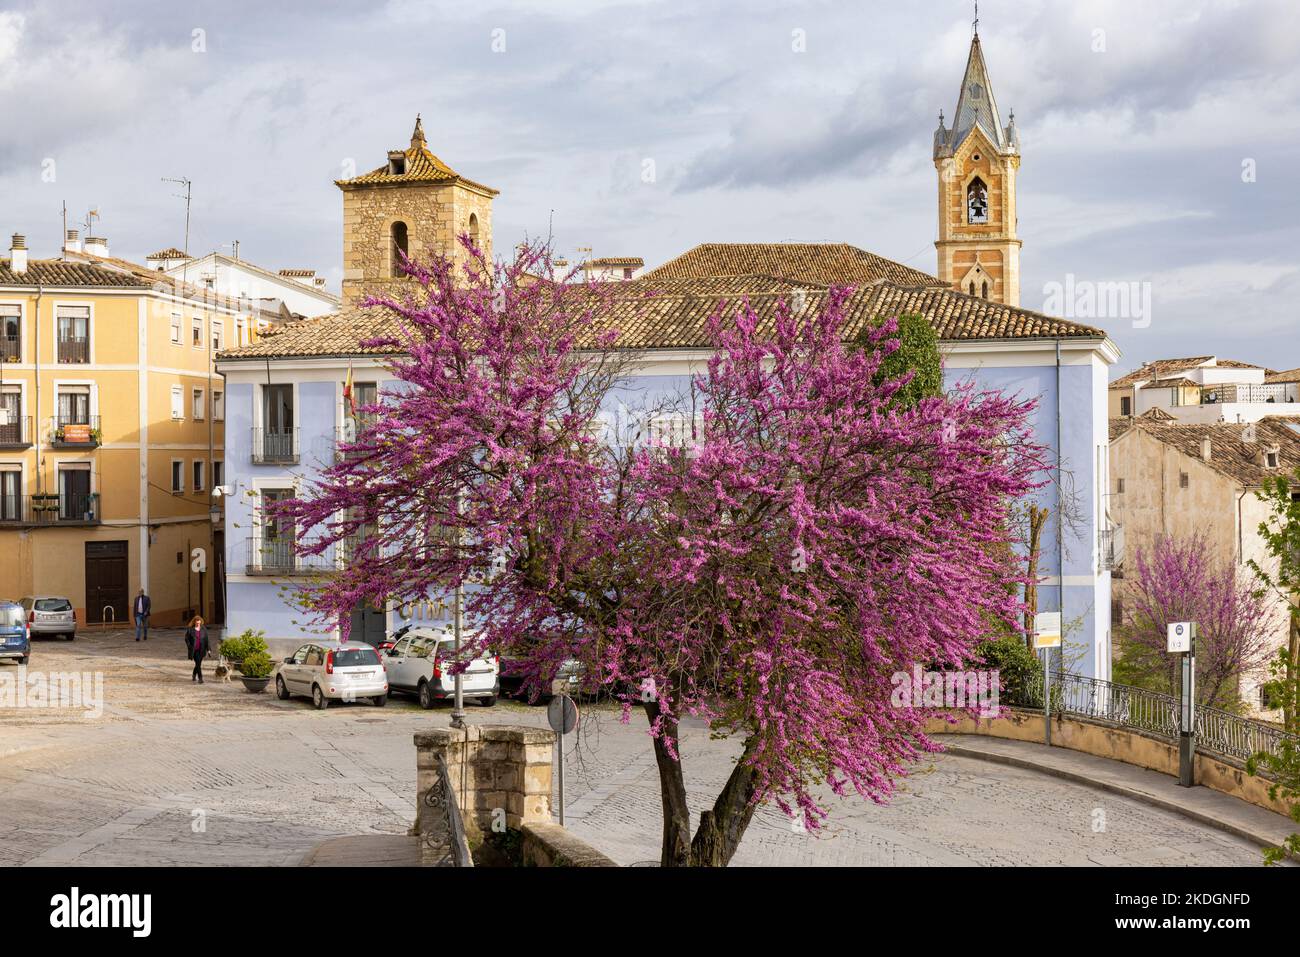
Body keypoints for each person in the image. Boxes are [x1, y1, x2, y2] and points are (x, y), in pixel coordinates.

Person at [185, 615, 209, 684]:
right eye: (197, 623)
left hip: (202, 650)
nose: (198, 624)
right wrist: (189, 646)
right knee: (198, 664)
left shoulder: (203, 629)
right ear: (194, 622)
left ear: (201, 622)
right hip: (194, 650)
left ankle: (193, 674)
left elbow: (207, 639)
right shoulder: (190, 629)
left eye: (199, 623)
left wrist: (208, 649)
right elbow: (186, 639)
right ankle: (200, 678)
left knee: (198, 664)